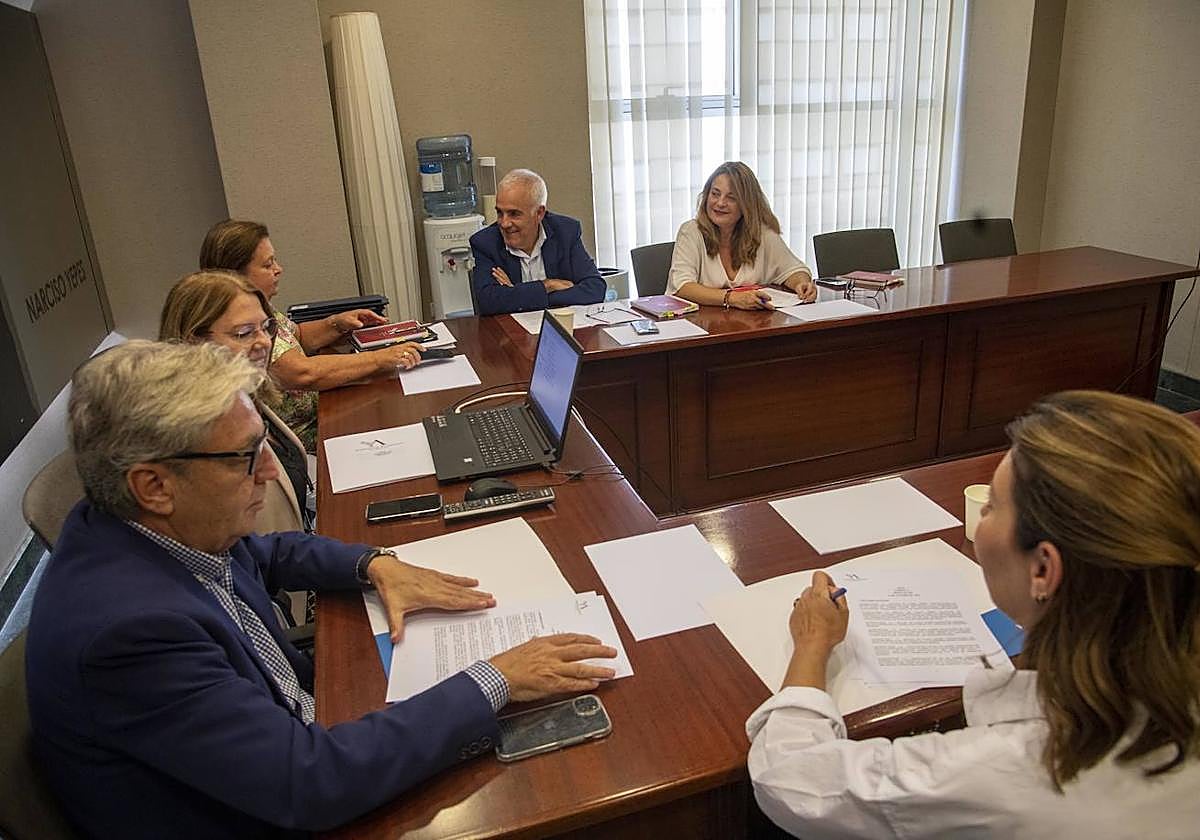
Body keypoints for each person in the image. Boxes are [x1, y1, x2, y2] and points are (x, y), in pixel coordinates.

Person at [25, 340, 617, 839]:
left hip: (288, 734)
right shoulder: (128, 634)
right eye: (244, 457)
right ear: (154, 485)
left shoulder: (144, 524)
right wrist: (497, 678)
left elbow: (268, 552)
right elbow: (308, 783)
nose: (267, 470)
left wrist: (373, 565)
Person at [747, 390, 1200, 838]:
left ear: (1043, 569)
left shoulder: (1016, 772)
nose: (981, 518)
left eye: (993, 507)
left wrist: (811, 646)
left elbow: (793, 780)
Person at [200, 219, 425, 451]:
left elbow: (297, 335)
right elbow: (303, 373)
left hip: (322, 411)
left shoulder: (260, 308)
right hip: (303, 438)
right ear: (236, 275)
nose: (278, 269)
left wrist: (337, 323)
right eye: (268, 265)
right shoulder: (238, 323)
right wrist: (382, 358)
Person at [667, 161, 816, 310]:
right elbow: (682, 287)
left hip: (752, 325)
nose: (720, 203)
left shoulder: (762, 233)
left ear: (747, 204)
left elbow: (793, 269)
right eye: (715, 194)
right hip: (702, 326)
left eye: (731, 198)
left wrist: (801, 284)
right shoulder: (691, 231)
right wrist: (731, 298)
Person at [469, 168, 606, 315]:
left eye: (514, 214)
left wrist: (516, 294)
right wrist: (548, 285)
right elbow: (488, 302)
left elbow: (595, 289)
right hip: (510, 333)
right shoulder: (486, 243)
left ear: (539, 213)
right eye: (500, 213)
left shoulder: (565, 233)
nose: (504, 223)